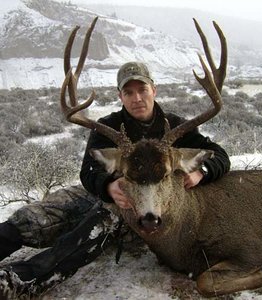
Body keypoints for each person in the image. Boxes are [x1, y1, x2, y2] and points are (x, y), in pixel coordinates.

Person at [0, 62, 230, 298]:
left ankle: (16, 281)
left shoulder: (178, 127)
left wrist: (202, 172)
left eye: (142, 90)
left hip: (133, 205)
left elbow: (219, 154)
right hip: (101, 190)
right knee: (37, 217)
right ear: (120, 96)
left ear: (154, 90)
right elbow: (89, 171)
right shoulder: (107, 127)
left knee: (90, 231)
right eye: (128, 92)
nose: (137, 98)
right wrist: (107, 186)